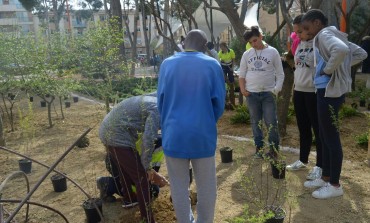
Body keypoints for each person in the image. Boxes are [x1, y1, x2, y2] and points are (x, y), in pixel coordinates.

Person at [157, 29, 225, 223]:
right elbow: (219, 104)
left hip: (174, 134)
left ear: (183, 42)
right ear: (204, 47)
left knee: (178, 186)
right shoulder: (212, 65)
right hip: (202, 134)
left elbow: (160, 101)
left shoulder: (167, 64)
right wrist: (206, 120)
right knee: (206, 187)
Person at [300, 9, 367, 199]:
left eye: (307, 27)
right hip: (328, 91)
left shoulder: (325, 34)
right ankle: (326, 176)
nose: (307, 32)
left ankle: (335, 184)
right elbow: (360, 53)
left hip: (328, 91)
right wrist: (342, 67)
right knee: (324, 134)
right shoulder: (335, 34)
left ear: (317, 23)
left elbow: (342, 50)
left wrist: (330, 69)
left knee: (330, 137)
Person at [99, 92, 168, 223]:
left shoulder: (157, 98)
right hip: (116, 135)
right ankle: (147, 220)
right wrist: (147, 168)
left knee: (124, 170)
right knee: (142, 178)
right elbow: (148, 140)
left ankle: (129, 199)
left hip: (108, 130)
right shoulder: (158, 110)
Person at [285, 14, 323, 182]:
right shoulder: (299, 44)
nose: (297, 35)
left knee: (318, 130)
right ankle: (303, 159)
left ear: (309, 28)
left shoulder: (320, 44)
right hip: (299, 90)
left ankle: (320, 166)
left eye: (300, 31)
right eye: (296, 32)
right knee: (303, 128)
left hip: (314, 92)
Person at [238, 26, 285, 159]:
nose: (254, 44)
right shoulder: (247, 54)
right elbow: (242, 74)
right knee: (255, 122)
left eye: (255, 40)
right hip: (251, 94)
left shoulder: (273, 52)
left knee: (271, 122)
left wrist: (276, 90)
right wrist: (242, 89)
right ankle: (259, 149)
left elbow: (280, 74)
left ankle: (273, 150)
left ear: (260, 36)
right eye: (251, 42)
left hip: (268, 94)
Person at [97, 136, 164, 203]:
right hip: (116, 162)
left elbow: (154, 168)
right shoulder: (140, 143)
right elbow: (134, 169)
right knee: (139, 195)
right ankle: (106, 184)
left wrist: (154, 178)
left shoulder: (161, 145)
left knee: (154, 192)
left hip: (137, 168)